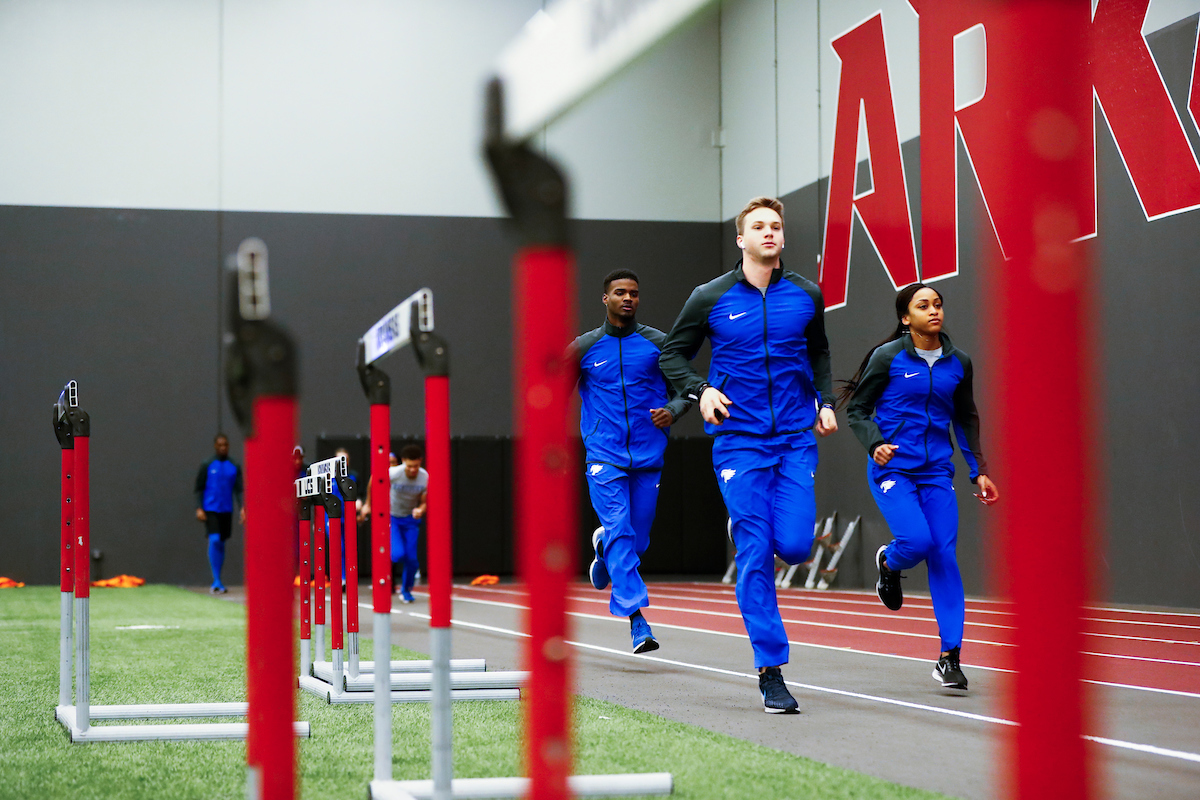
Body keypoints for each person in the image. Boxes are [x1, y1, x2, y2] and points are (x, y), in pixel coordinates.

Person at [659, 197, 837, 714]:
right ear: (741, 239)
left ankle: (746, 526)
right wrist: (701, 391)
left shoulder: (805, 294)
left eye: (775, 226)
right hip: (739, 439)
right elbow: (673, 354)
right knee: (757, 553)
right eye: (758, 226)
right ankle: (770, 669)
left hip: (795, 438)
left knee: (797, 547)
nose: (769, 232)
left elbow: (819, 351)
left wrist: (825, 402)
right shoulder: (710, 296)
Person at [839, 283, 999, 691]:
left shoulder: (958, 363)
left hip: (936, 472)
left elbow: (966, 418)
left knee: (943, 554)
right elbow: (858, 409)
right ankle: (890, 563)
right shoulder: (888, 357)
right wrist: (875, 443)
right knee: (916, 542)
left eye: (938, 304)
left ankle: (950, 656)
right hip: (893, 467)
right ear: (905, 318)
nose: (933, 311)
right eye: (923, 305)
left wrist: (977, 470)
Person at [572, 269, 693, 655]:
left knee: (636, 541)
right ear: (605, 298)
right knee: (622, 532)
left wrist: (673, 411)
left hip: (647, 457)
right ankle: (637, 620)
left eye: (634, 293)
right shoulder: (584, 347)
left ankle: (603, 547)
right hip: (603, 457)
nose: (628, 298)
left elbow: (688, 388)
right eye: (620, 292)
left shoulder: (658, 344)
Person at [194, 434, 244, 594]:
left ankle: (219, 579)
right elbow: (199, 488)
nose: (223, 448)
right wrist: (199, 507)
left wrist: (242, 507)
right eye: (220, 445)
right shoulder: (207, 464)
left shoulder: (234, 466)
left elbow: (239, 490)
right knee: (214, 540)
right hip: (211, 509)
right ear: (215, 446)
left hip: (226, 509)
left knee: (221, 542)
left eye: (225, 445)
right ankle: (216, 579)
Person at [387, 445, 427, 603]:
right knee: (397, 554)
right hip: (392, 517)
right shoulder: (393, 473)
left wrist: (420, 510)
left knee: (412, 560)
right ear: (403, 461)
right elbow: (373, 482)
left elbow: (424, 501)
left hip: (410, 519)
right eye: (409, 466)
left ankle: (406, 591)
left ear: (420, 461)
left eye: (415, 466)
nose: (412, 470)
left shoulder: (424, 477)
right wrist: (369, 504)